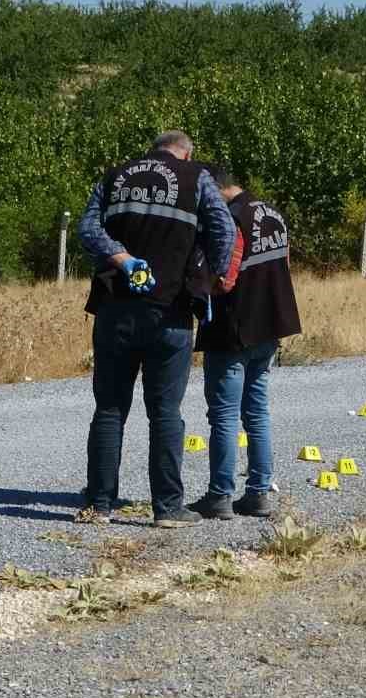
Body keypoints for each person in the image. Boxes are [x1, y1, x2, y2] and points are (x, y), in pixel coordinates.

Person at [77, 131, 235, 528]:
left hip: (115, 307)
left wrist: (123, 258)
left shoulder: (115, 176)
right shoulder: (195, 177)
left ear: (154, 150)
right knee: (165, 411)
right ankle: (167, 508)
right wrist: (211, 278)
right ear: (185, 152)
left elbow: (87, 229)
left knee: (110, 408)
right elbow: (224, 231)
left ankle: (99, 505)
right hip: (171, 309)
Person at [187, 168, 302, 519]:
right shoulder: (273, 214)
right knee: (257, 413)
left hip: (234, 328)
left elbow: (226, 278)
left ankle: (220, 495)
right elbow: (283, 264)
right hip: (269, 326)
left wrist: (196, 286)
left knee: (223, 415)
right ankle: (259, 493)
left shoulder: (232, 218)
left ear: (216, 189)